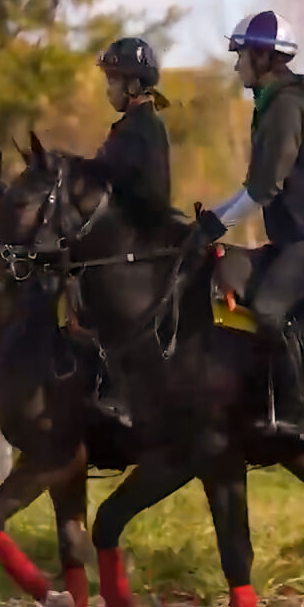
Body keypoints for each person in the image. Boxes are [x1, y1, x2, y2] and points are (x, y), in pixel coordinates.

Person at [194, 10, 304, 442]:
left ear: (264, 58)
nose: (236, 64)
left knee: (266, 309)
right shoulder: (272, 106)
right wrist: (211, 223)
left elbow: (262, 190)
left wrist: (212, 226)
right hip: (290, 240)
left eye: (241, 54)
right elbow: (254, 187)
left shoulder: (285, 109)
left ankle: (297, 413)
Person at [88, 36, 171, 424]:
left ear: (134, 85)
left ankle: (118, 386)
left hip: (142, 239)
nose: (109, 89)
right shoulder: (130, 127)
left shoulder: (142, 129)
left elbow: (131, 187)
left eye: (113, 80)